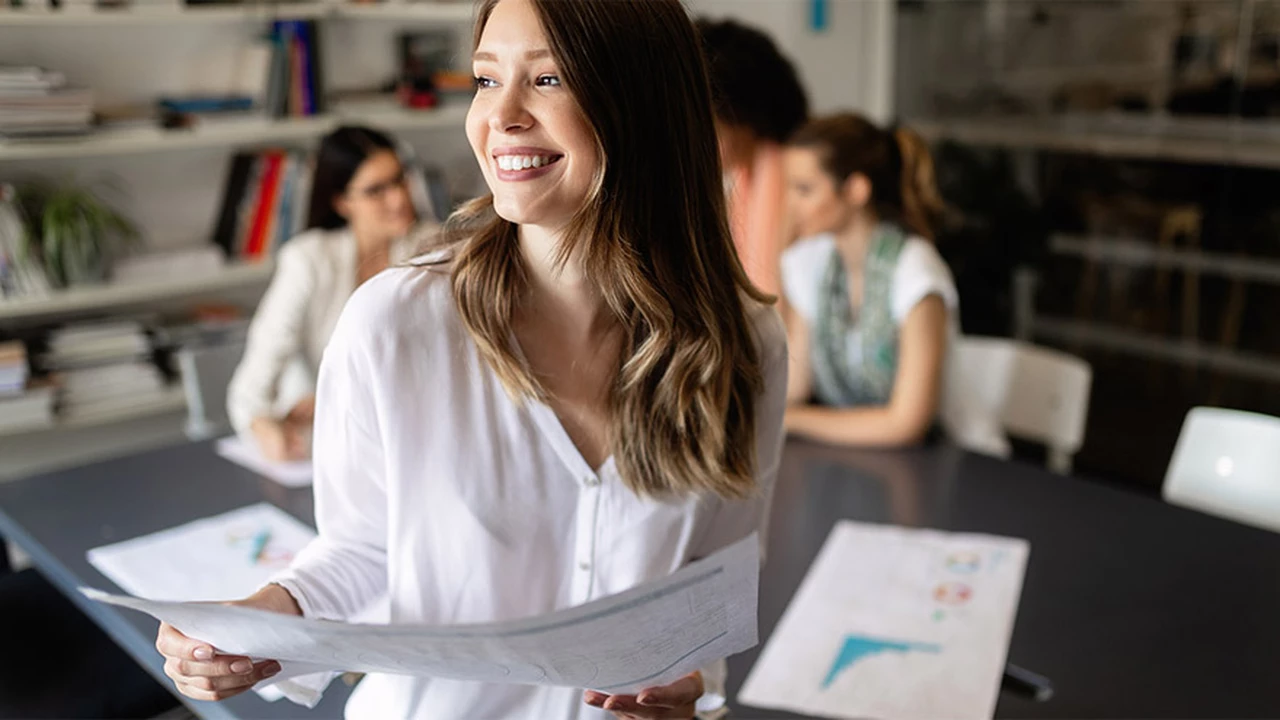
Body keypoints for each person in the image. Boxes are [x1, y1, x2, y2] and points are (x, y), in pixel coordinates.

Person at [156, 1, 788, 719]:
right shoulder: (392, 325)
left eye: (547, 81)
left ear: (643, 105)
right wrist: (262, 622)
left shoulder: (746, 343)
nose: (502, 117)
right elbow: (362, 550)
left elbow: (716, 578)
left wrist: (693, 685)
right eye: (487, 82)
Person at [226, 126, 424, 462]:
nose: (399, 198)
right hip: (344, 448)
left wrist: (340, 398)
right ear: (341, 202)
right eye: (376, 190)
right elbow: (252, 387)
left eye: (400, 179)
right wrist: (264, 426)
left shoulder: (435, 249)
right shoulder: (309, 260)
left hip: (415, 438)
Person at [780, 112, 960, 447]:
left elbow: (908, 422)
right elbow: (797, 383)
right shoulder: (809, 263)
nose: (791, 205)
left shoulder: (915, 272)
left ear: (856, 190)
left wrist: (789, 419)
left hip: (931, 461)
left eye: (804, 189)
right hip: (847, 457)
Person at [696, 17, 808, 295]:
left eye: (712, 129)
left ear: (744, 116)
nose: (701, 145)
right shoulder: (743, 179)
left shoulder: (798, 186)